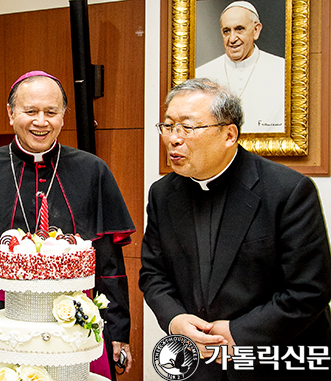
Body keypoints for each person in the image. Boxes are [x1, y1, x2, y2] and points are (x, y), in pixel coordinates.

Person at [0, 71, 135, 381]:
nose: (41, 121)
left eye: (51, 112)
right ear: (10, 114)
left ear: (63, 115)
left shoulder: (92, 170)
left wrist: (118, 332)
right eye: (30, 111)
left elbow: (110, 265)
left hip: (75, 322)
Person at [139, 77, 331, 380]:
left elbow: (309, 290)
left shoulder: (288, 191)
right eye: (168, 126)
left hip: (274, 360)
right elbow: (153, 273)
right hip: (199, 363)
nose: (174, 138)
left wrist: (239, 332)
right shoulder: (163, 194)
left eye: (188, 127)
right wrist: (175, 319)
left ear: (229, 134)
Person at [196, 1, 285, 133]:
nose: (232, 39)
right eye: (226, 31)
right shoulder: (201, 76)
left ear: (256, 30)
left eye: (239, 29)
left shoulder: (282, 70)